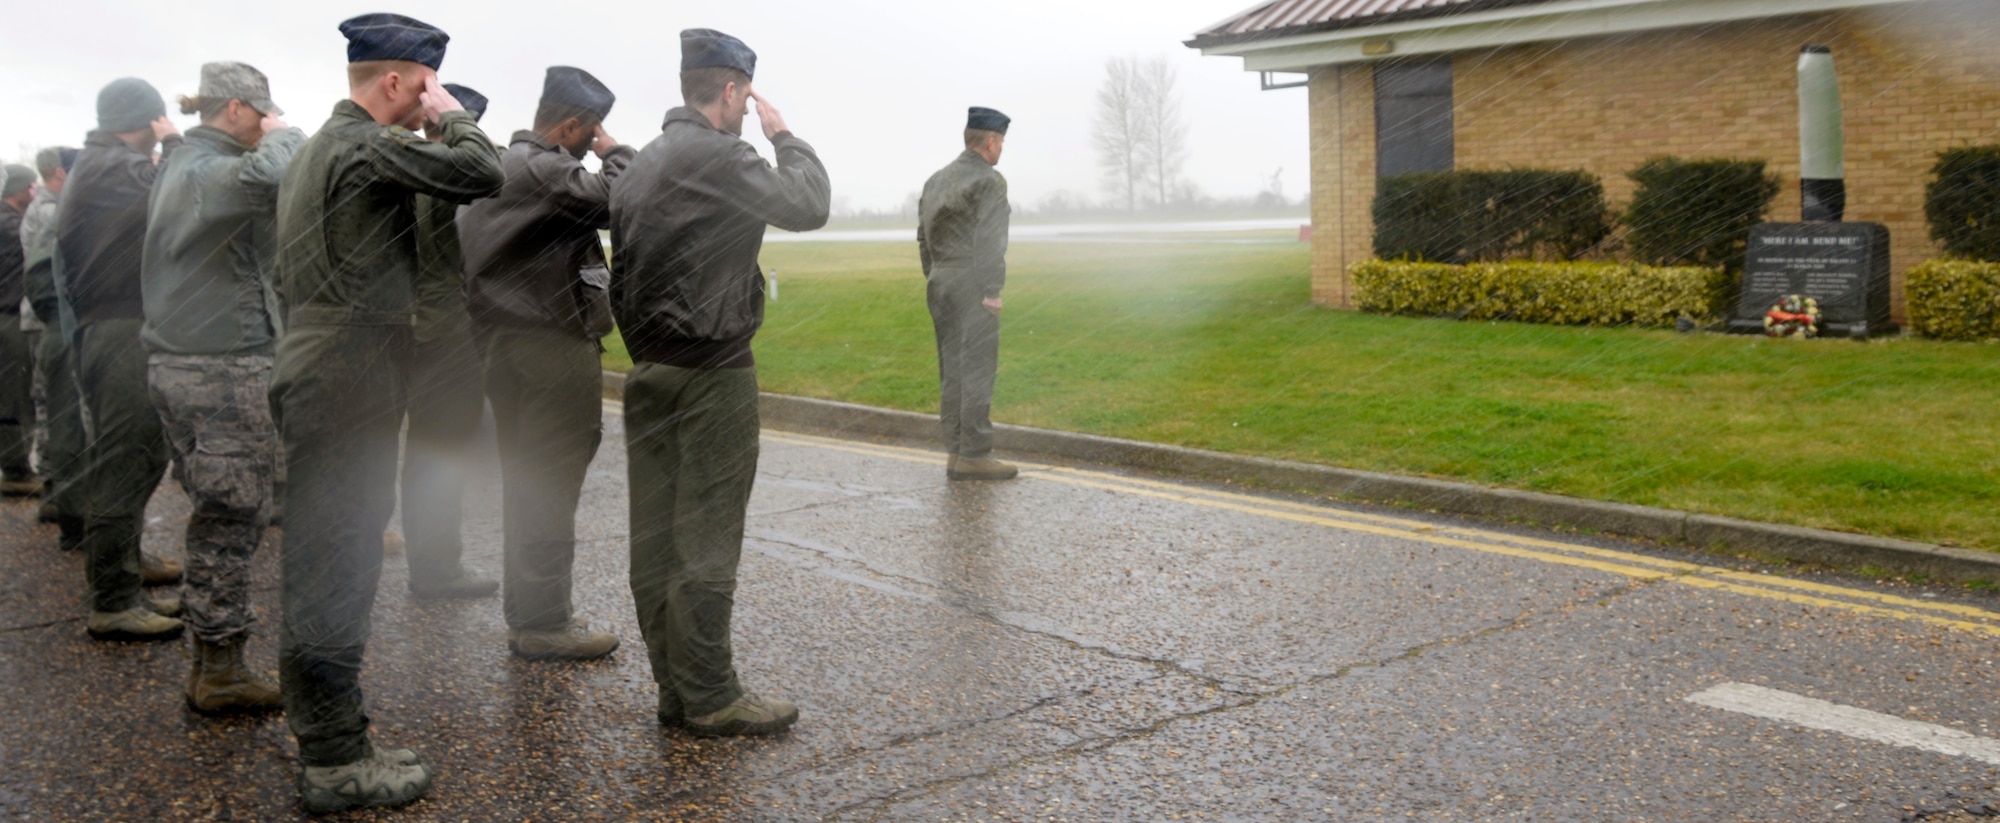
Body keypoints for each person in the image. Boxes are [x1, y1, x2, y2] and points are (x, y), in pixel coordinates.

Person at [270, 13, 502, 813]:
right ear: (399, 81)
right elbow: (483, 173)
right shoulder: (363, 144)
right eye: (426, 84)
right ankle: (335, 761)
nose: (429, 98)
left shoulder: (317, 150)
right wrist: (454, 118)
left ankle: (334, 734)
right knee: (337, 563)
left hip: (326, 364)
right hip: (347, 374)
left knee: (325, 555)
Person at [609, 28, 829, 737]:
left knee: (655, 539)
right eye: (744, 97)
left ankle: (675, 687)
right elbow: (808, 205)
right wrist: (785, 136)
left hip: (648, 371)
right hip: (713, 373)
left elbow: (622, 275)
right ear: (732, 91)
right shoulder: (724, 154)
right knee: (705, 539)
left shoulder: (641, 164)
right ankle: (710, 692)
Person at [141, 61, 303, 714]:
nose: (266, 123)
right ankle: (219, 667)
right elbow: (273, 171)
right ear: (233, 109)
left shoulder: (182, 164)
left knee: (216, 510)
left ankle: (214, 652)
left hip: (186, 361)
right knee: (232, 517)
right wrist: (287, 134)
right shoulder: (204, 168)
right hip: (220, 365)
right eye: (260, 112)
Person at [459, 65, 630, 659]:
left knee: (528, 480)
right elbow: (619, 199)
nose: (591, 144)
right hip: (550, 343)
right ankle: (544, 621)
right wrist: (618, 154)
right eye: (589, 133)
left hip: (501, 343)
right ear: (571, 124)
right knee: (551, 482)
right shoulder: (546, 167)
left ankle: (528, 612)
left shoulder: (501, 166)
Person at [56, 77, 188, 642]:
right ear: (146, 118)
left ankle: (125, 567)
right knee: (123, 457)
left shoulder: (103, 163)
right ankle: (113, 598)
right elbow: (179, 191)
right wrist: (177, 143)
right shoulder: (112, 167)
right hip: (118, 329)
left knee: (137, 452)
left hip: (116, 326)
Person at [397, 81, 500, 602]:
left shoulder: (403, 160)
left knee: (421, 451)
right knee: (439, 451)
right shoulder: (452, 168)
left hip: (408, 323)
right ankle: (436, 569)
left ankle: (428, 560)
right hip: (448, 328)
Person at [918, 108, 1016, 482]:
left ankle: (956, 451)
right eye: (1001, 142)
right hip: (970, 280)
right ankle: (974, 454)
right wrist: (991, 290)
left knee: (952, 369)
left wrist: (937, 276)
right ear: (990, 142)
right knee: (976, 367)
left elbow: (922, 238)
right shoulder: (989, 181)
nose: (1001, 149)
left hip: (940, 280)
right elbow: (990, 240)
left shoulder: (935, 180)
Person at [20, 147, 85, 526]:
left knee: (56, 413)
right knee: (61, 414)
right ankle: (63, 501)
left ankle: (61, 498)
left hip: (53, 323)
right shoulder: (59, 211)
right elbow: (43, 276)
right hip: (57, 324)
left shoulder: (61, 208)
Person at [0, 165, 41, 495]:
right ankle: (15, 469)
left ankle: (16, 463)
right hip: (9, 317)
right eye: (31, 187)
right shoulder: (12, 225)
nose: (35, 192)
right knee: (13, 395)